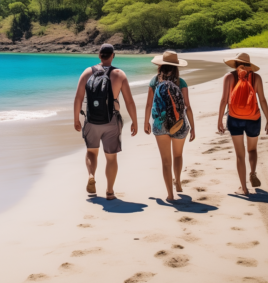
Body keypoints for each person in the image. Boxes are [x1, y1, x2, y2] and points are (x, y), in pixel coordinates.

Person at [73, 43, 138, 200]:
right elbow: (129, 101)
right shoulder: (119, 74)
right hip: (111, 120)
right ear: (113, 56)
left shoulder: (87, 72)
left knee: (91, 152)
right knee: (111, 157)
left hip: (91, 119)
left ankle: (90, 175)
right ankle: (109, 191)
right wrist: (135, 121)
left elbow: (78, 98)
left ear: (99, 55)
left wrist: (76, 119)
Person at [216, 52, 268, 196]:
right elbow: (263, 100)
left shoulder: (229, 77)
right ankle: (252, 173)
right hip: (253, 118)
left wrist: (219, 120)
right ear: (249, 64)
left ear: (235, 63)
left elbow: (223, 100)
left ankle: (244, 188)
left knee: (240, 155)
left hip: (234, 118)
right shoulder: (256, 77)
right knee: (252, 150)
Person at [143, 50, 195, 202]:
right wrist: (192, 127)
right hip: (179, 124)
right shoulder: (181, 82)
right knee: (177, 155)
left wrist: (146, 122)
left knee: (166, 160)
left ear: (160, 66)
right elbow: (187, 106)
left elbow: (148, 104)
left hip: (160, 125)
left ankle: (170, 195)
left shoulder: (154, 81)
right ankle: (177, 182)